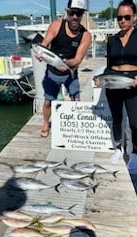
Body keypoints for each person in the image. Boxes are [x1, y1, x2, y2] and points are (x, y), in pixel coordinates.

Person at [102, 0, 137, 170]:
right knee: (117, 119)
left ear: (134, 17)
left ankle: (135, 152)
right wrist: (103, 79)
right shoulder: (112, 40)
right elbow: (109, 65)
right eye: (119, 17)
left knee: (135, 121)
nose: (122, 20)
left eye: (126, 17)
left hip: (132, 82)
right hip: (114, 83)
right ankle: (118, 148)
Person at [35, 0, 91, 138]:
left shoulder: (85, 35)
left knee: (76, 101)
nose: (75, 17)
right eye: (72, 13)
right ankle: (46, 124)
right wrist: (41, 53)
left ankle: (75, 125)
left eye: (78, 14)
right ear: (67, 12)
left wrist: (66, 63)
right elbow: (45, 43)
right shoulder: (56, 25)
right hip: (52, 71)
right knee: (48, 101)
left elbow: (78, 59)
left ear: (82, 14)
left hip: (70, 71)